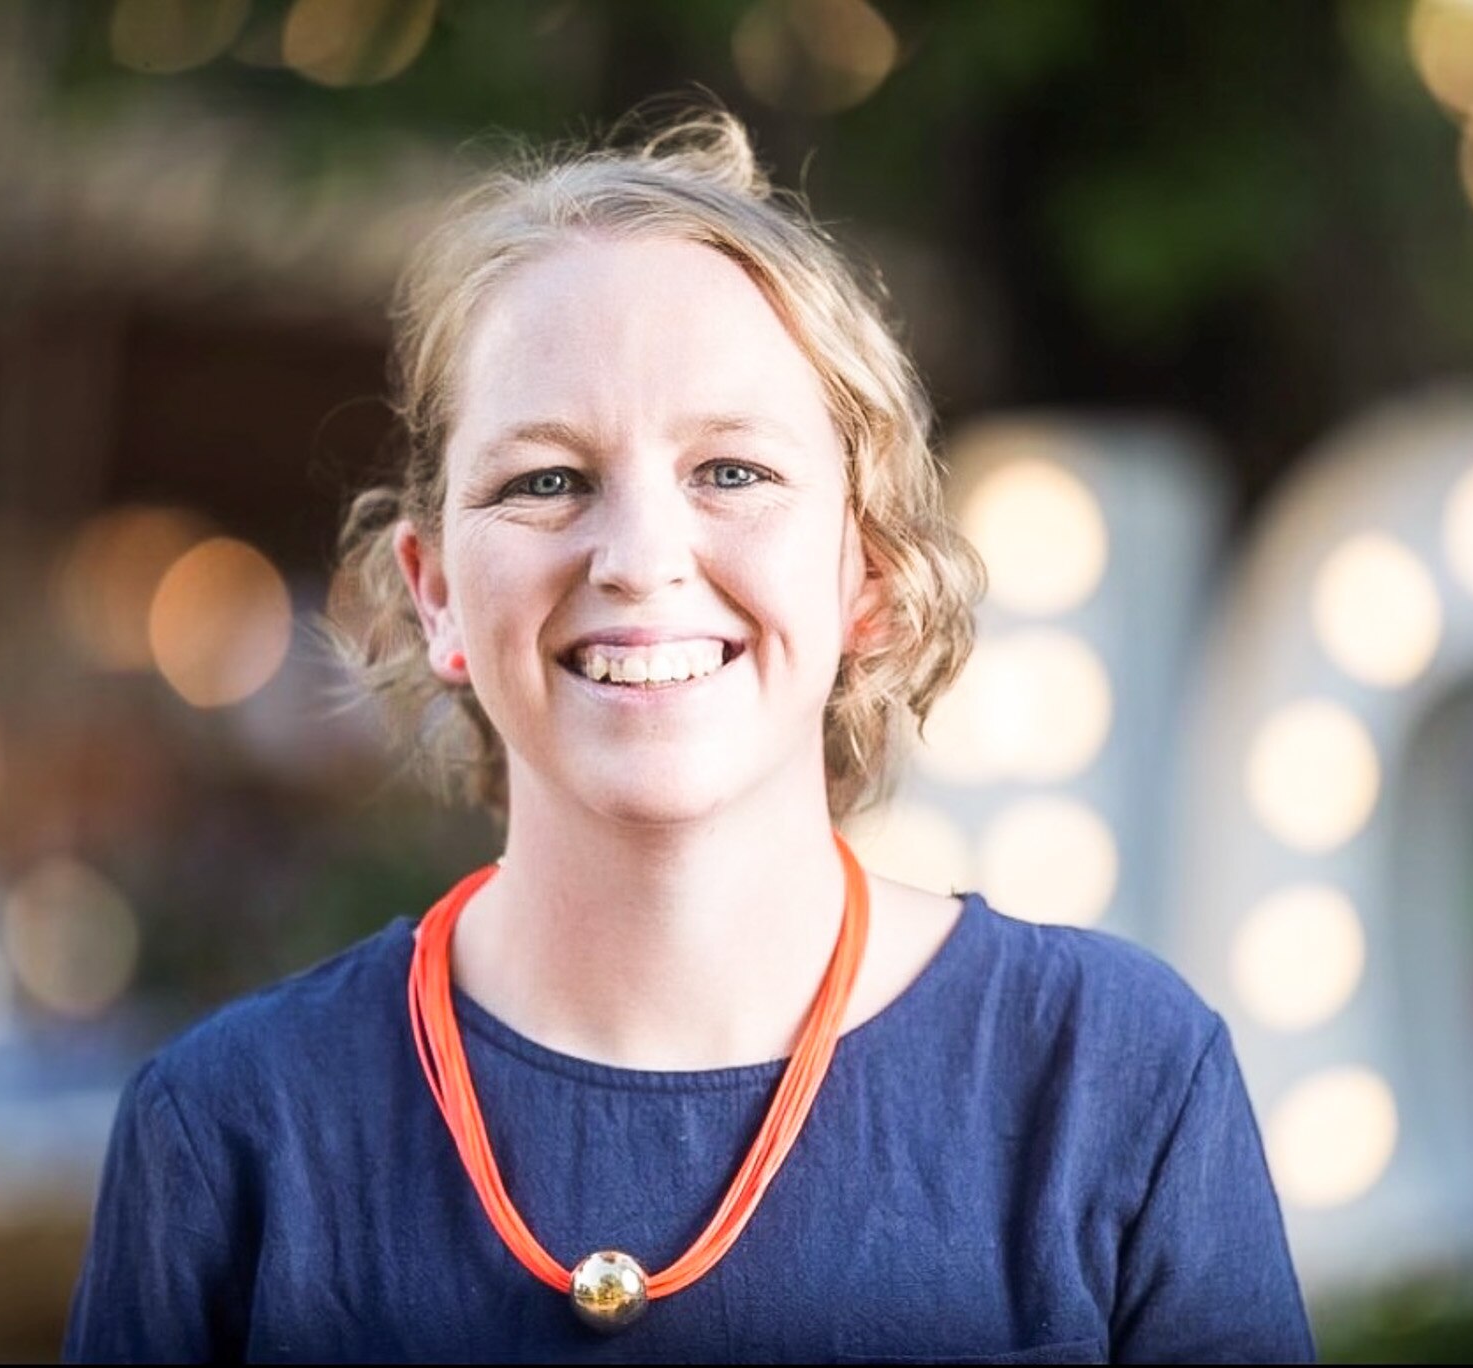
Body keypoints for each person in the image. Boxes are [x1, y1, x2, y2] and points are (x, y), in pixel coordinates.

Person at [63, 109, 1314, 1364]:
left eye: (731, 472)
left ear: (865, 573)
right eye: (544, 481)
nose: (641, 561)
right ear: (436, 591)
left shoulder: (1110, 1083)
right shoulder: (227, 1135)